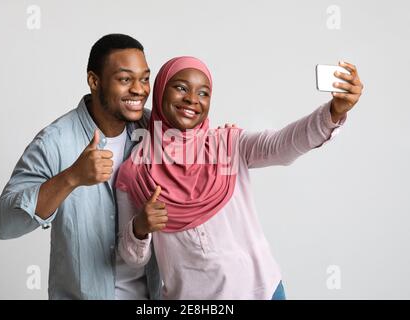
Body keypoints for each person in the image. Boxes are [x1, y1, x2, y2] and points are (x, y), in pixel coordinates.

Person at [115, 56, 363, 299]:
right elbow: (133, 258)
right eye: (181, 88)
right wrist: (140, 228)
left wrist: (333, 112)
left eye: (203, 93)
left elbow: (282, 144)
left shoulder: (228, 144)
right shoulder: (135, 172)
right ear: (160, 92)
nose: (192, 99)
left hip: (264, 291)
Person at [0, 34, 162, 299]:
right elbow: (4, 224)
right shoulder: (54, 142)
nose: (140, 90)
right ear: (94, 81)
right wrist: (71, 177)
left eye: (144, 78)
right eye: (125, 79)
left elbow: (206, 155)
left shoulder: (155, 131)